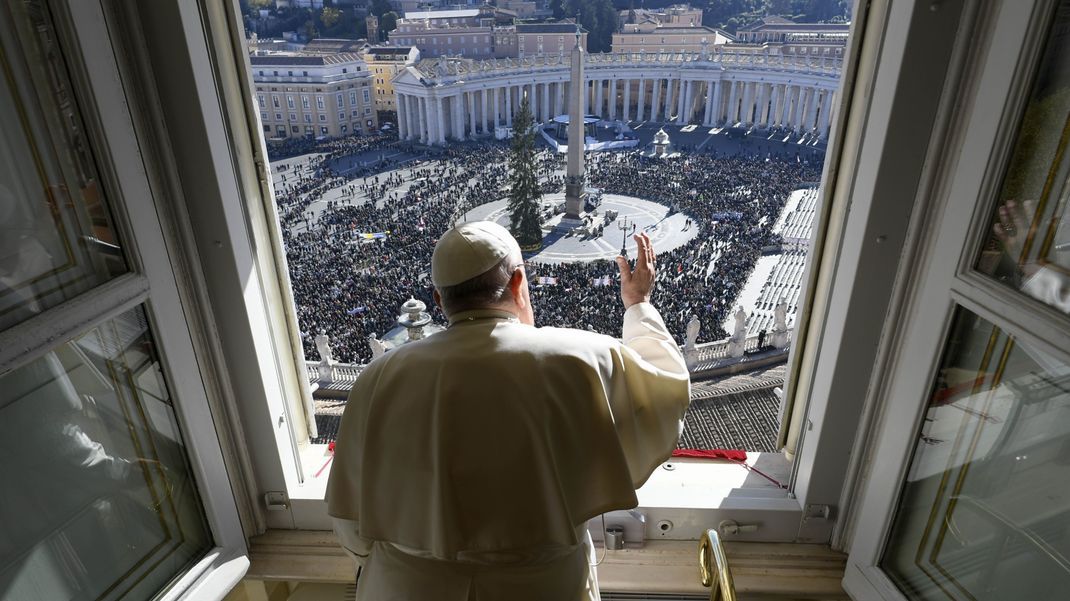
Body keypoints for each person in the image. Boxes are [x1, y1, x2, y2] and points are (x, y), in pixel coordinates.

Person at [326, 221, 691, 600]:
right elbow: (666, 390)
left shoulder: (379, 376)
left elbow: (350, 518)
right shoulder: (580, 357)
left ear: (439, 301)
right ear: (518, 282)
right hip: (540, 587)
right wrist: (639, 306)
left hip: (407, 586)